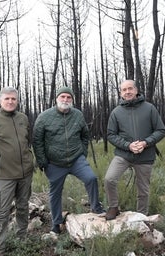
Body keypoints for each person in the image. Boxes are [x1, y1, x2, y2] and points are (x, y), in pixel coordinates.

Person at [32, 86, 105, 235]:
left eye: (68, 97)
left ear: (72, 99)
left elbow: (85, 135)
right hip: (54, 163)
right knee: (55, 193)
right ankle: (56, 223)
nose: (65, 100)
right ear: (56, 99)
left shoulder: (77, 115)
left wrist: (83, 152)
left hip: (76, 159)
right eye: (62, 97)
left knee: (91, 178)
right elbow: (37, 141)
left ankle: (96, 208)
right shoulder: (44, 117)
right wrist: (42, 162)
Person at [0, 87, 34, 255]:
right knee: (1, 211)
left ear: (17, 101)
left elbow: (27, 141)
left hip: (25, 173)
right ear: (1, 101)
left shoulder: (23, 118)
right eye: (7, 99)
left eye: (13, 99)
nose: (10, 102)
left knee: (23, 206)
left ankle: (21, 238)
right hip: (5, 175)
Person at [104, 79, 165, 220]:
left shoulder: (149, 108)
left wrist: (146, 143)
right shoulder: (116, 112)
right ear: (121, 93)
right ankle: (113, 207)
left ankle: (141, 216)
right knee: (109, 179)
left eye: (130, 88)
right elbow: (111, 135)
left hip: (145, 155)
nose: (127, 92)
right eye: (124, 90)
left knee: (143, 190)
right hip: (123, 154)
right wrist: (128, 145)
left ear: (136, 90)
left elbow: (161, 130)